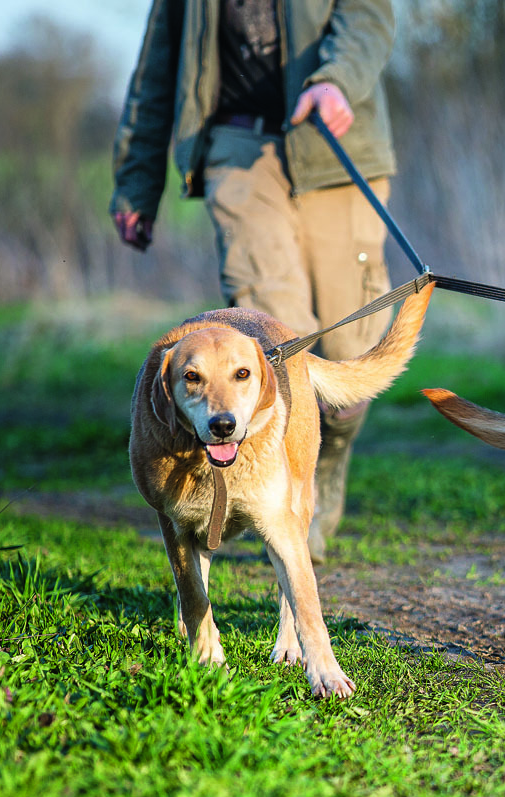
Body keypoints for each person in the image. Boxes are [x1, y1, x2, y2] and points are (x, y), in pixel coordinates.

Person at [110, 0, 398, 563]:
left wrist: (338, 80)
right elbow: (156, 68)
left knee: (348, 353)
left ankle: (327, 455)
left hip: (335, 142)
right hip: (236, 148)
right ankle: (285, 494)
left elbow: (369, 16)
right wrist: (136, 182)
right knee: (279, 340)